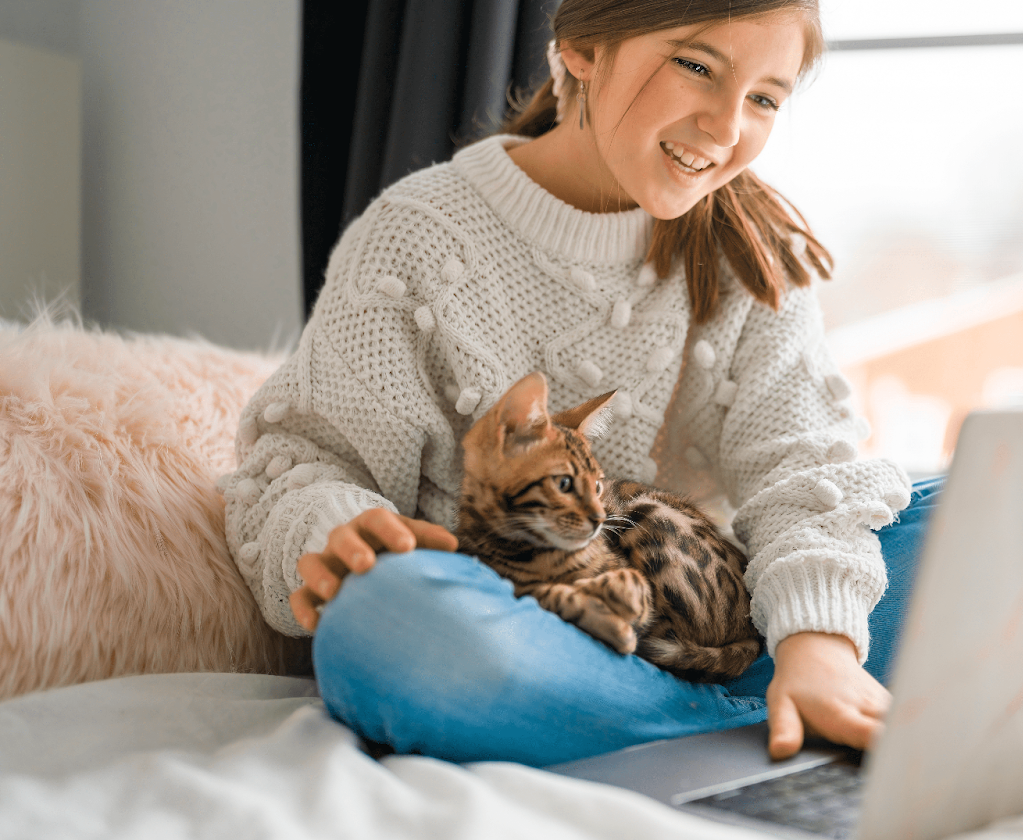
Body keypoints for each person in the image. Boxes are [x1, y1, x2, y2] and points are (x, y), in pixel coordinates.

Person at [221, 0, 939, 768]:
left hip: (725, 626)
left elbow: (807, 477)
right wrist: (335, 524)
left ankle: (769, 697)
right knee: (386, 624)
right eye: (697, 66)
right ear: (581, 48)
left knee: (966, 513)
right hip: (527, 633)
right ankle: (737, 721)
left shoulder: (750, 258)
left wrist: (818, 642)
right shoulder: (416, 235)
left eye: (764, 98)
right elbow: (304, 461)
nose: (729, 128)